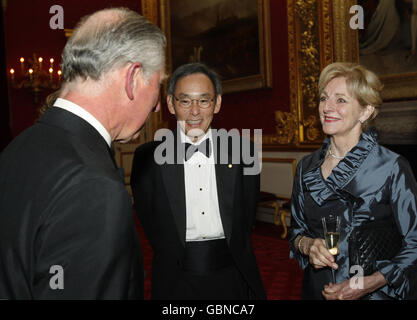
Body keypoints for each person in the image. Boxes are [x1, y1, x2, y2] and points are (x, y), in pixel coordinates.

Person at [0, 7, 166, 299]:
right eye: (158, 85)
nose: (156, 106)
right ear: (132, 77)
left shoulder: (18, 147)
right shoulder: (92, 186)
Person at [130, 63, 266, 300]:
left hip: (233, 276)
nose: (195, 111)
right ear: (171, 104)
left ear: (218, 103)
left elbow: (246, 220)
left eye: (204, 101)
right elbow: (150, 223)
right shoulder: (147, 159)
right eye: (185, 101)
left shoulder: (245, 152)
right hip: (175, 280)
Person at [289, 62, 417, 300]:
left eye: (340, 100)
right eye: (324, 98)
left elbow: (415, 243)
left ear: (365, 111)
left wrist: (369, 283)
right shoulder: (306, 167)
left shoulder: (392, 167)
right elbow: (296, 232)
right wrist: (308, 245)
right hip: (318, 289)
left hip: (374, 293)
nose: (327, 107)